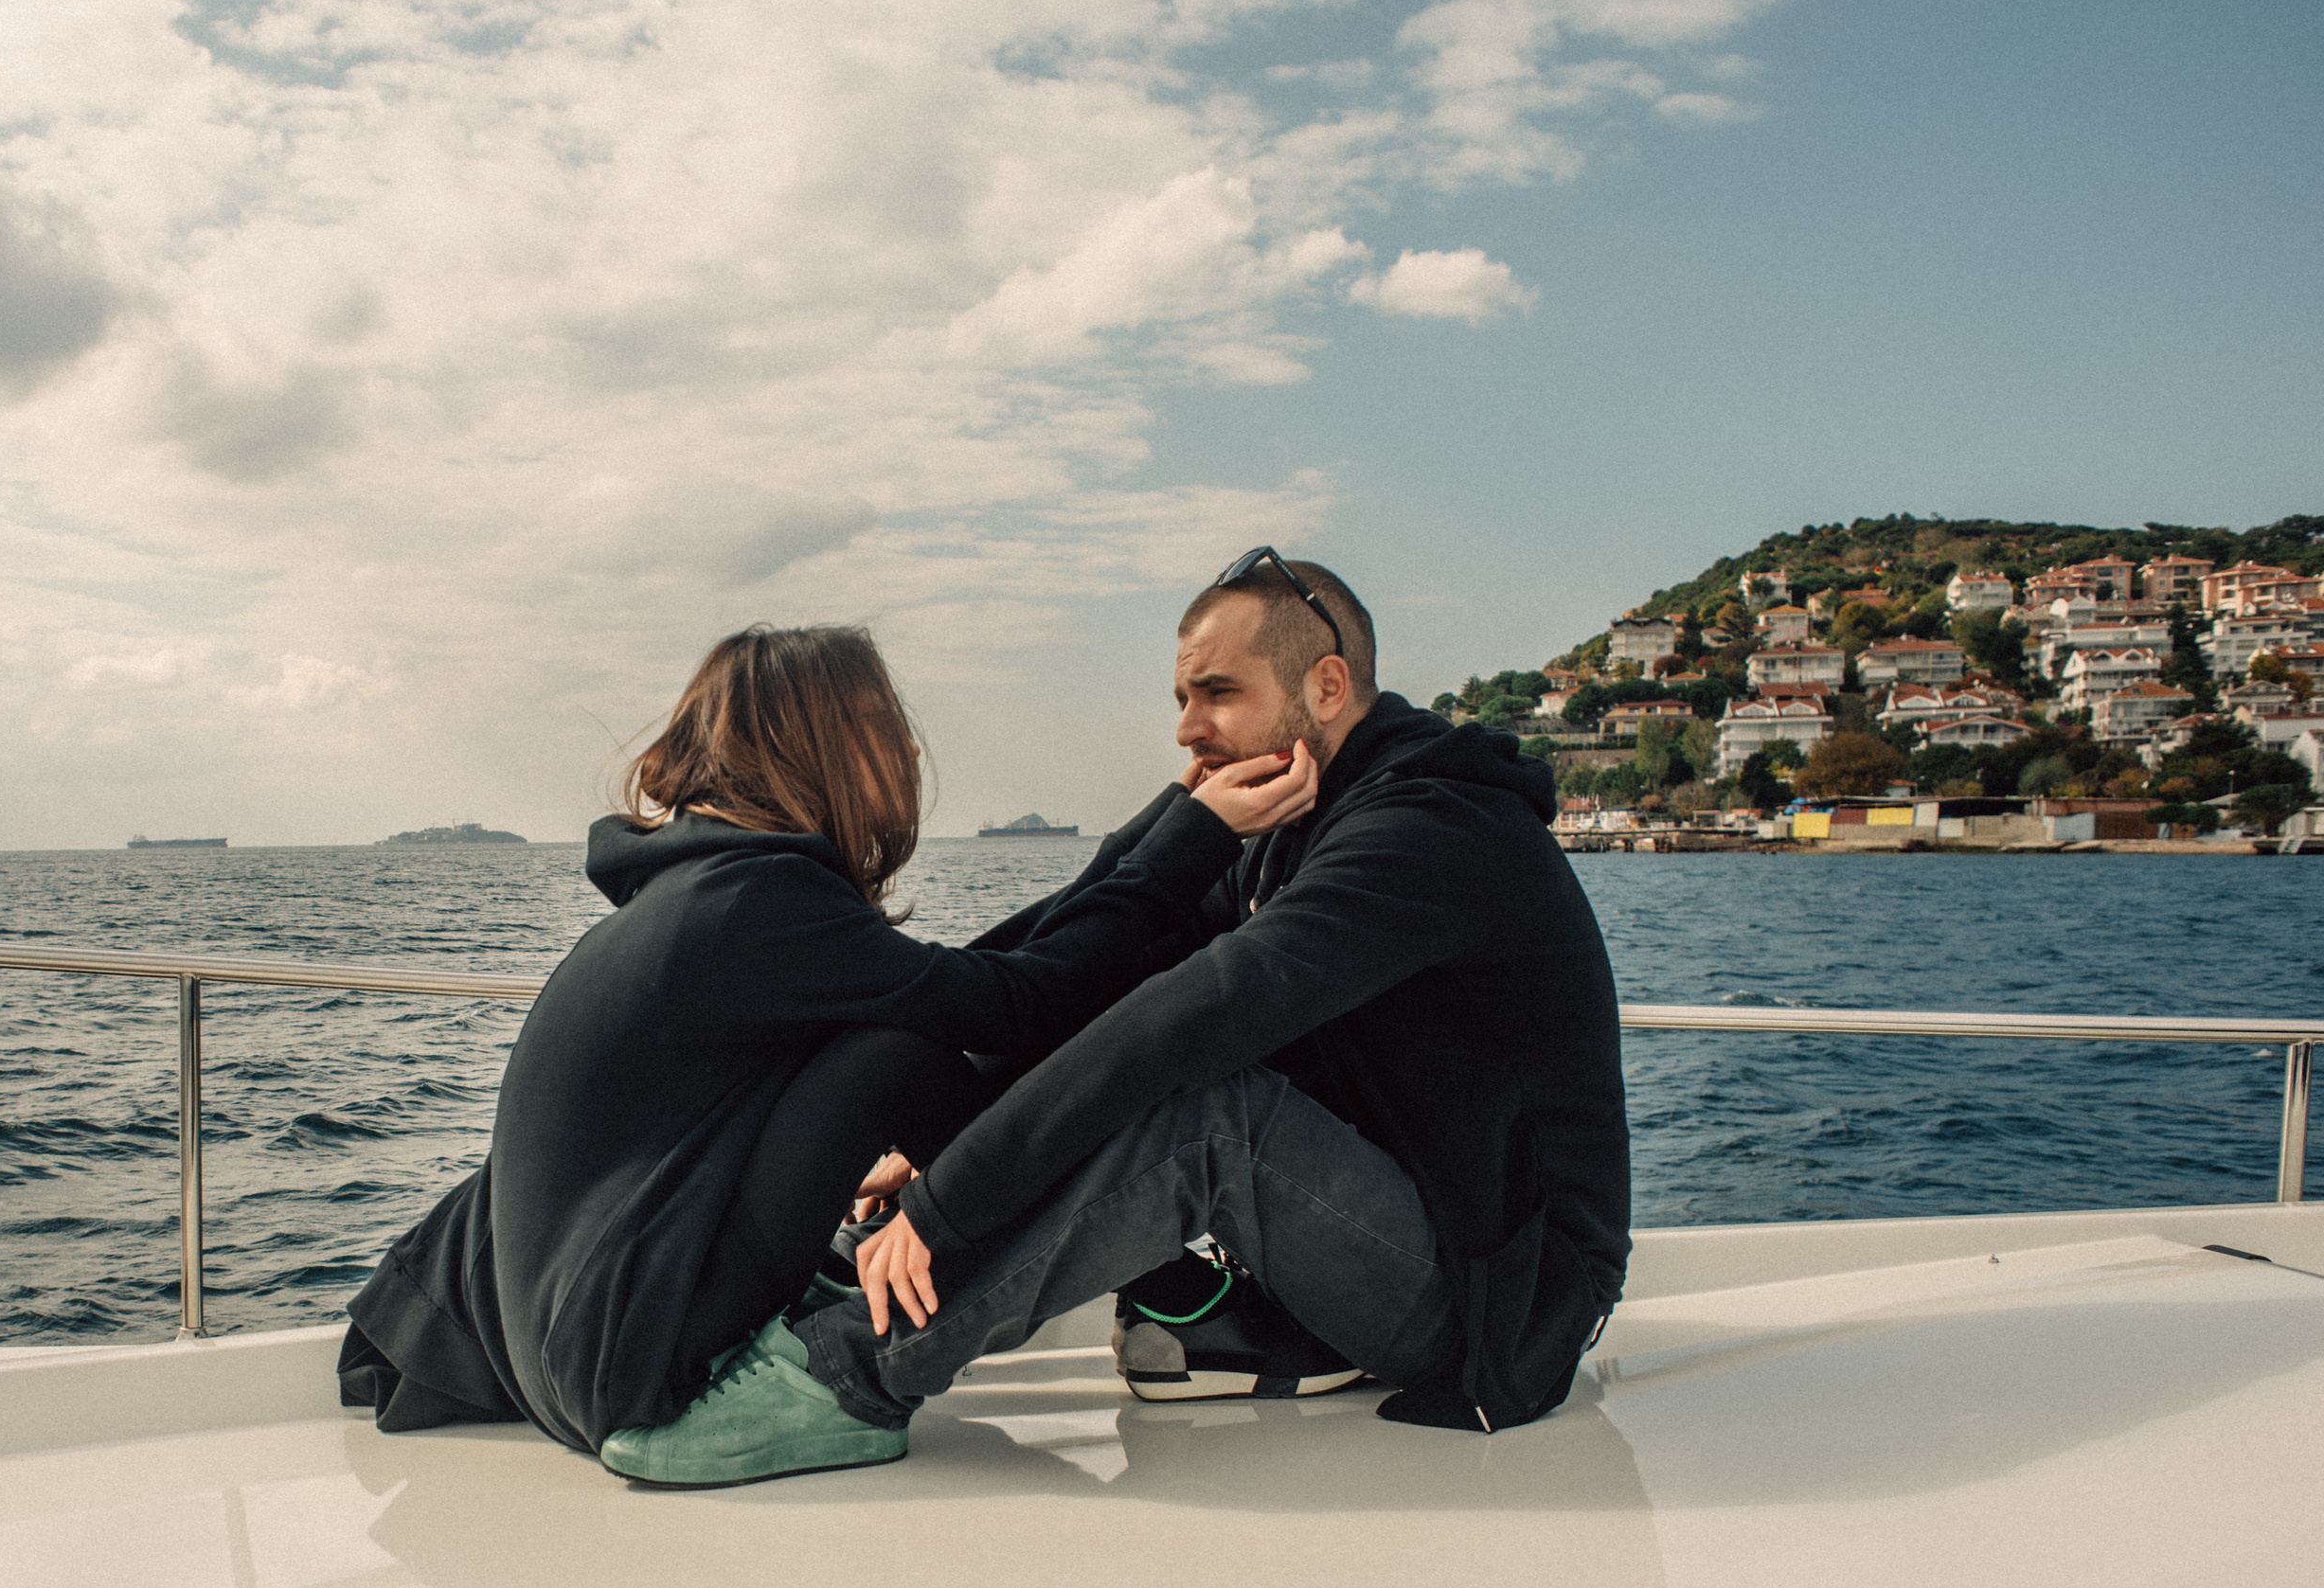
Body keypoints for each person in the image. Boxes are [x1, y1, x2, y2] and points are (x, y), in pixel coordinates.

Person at [598, 550, 1628, 1490]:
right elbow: (1090, 968)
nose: (1187, 727)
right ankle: (831, 1298)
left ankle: (849, 1379)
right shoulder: (1294, 826)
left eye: (1217, 692)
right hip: (1399, 1225)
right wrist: (939, 1147)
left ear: (1324, 685)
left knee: (1207, 1113)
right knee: (1136, 1082)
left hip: (1502, 1297)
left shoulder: (1425, 833)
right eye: (1182, 697)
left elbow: (1188, 1022)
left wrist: (953, 1203)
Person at [336, 622, 1316, 1457]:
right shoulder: (755, 902)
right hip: (625, 1364)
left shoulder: (707, 887)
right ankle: (1176, 1291)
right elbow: (1018, 1000)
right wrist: (1194, 839)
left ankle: (1152, 1283)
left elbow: (981, 970)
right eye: (885, 729)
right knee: (896, 1056)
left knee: (911, 1033)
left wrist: (1170, 816)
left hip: (562, 1349)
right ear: (827, 744)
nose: (907, 754)